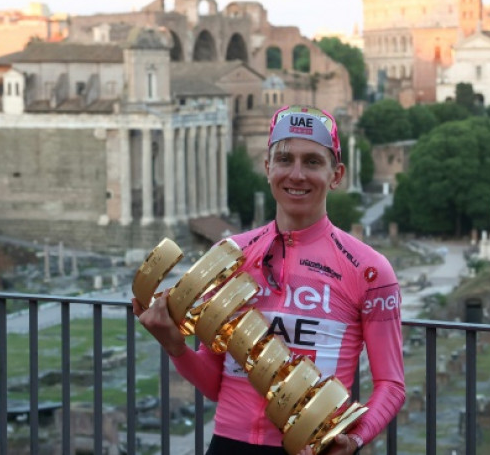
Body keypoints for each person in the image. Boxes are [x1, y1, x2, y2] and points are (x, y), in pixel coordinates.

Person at [133, 105, 405, 455]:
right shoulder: (229, 257)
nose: (296, 174)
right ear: (267, 167)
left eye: (312, 162)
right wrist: (175, 347)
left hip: (312, 447)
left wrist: (354, 438)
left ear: (336, 175)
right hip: (228, 444)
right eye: (284, 159)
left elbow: (391, 384)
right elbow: (217, 384)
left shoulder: (369, 269)